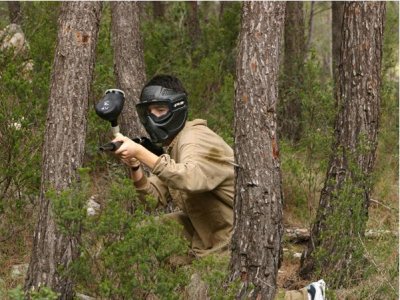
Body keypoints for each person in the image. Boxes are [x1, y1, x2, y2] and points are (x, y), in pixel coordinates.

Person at [112, 74, 234, 257]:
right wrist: (135, 166)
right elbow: (152, 200)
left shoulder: (195, 139)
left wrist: (139, 151)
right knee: (144, 234)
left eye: (160, 110)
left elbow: (190, 178)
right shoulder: (175, 144)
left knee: (202, 285)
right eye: (149, 112)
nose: (153, 118)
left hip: (231, 238)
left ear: (177, 107)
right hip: (205, 231)